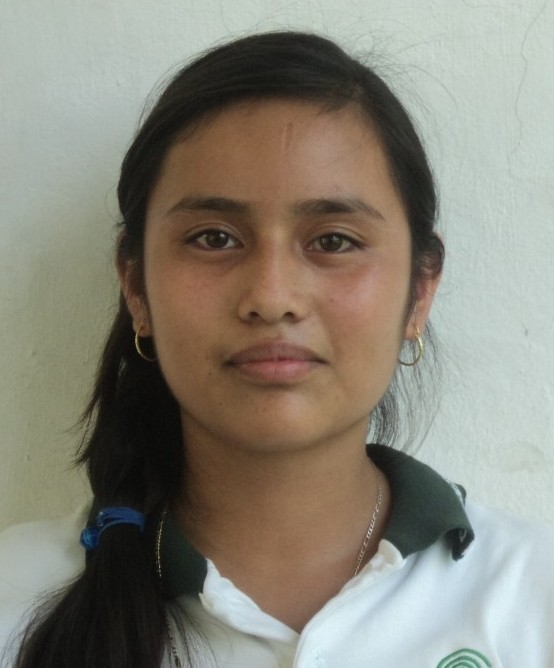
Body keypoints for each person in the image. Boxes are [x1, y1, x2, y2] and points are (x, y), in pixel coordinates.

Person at [0, 31, 553, 668]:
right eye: (214, 238)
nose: (271, 297)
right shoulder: (16, 598)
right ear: (136, 286)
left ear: (420, 289)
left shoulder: (535, 594)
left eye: (334, 241)